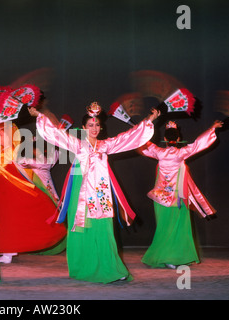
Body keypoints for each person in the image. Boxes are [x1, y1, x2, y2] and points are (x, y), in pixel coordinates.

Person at [28, 102, 160, 283]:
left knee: (103, 229)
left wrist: (149, 119)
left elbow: (129, 137)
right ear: (83, 127)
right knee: (82, 227)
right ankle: (82, 265)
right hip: (81, 193)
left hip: (101, 193)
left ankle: (111, 266)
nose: (95, 128)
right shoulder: (77, 144)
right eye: (90, 125)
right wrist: (39, 116)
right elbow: (56, 134)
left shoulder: (106, 145)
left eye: (97, 125)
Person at [137, 120, 223, 269]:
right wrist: (212, 128)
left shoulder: (159, 152)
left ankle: (167, 256)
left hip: (160, 197)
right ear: (178, 139)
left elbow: (143, 144)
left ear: (164, 139)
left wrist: (138, 130)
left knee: (164, 228)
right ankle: (173, 257)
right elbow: (198, 144)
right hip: (178, 197)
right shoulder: (182, 152)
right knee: (178, 227)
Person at [0, 121, 67, 263]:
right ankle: (5, 250)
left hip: (13, 189)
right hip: (0, 191)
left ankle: (9, 251)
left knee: (13, 220)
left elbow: (38, 163)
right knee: (2, 220)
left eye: (2, 134)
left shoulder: (13, 152)